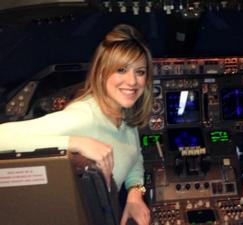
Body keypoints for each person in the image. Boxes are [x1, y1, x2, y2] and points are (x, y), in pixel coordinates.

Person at [0, 24, 153, 225]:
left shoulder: (125, 113)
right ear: (100, 72)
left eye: (140, 72)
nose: (132, 81)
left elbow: (135, 156)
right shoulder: (84, 116)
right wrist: (77, 142)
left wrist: (135, 192)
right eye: (121, 69)